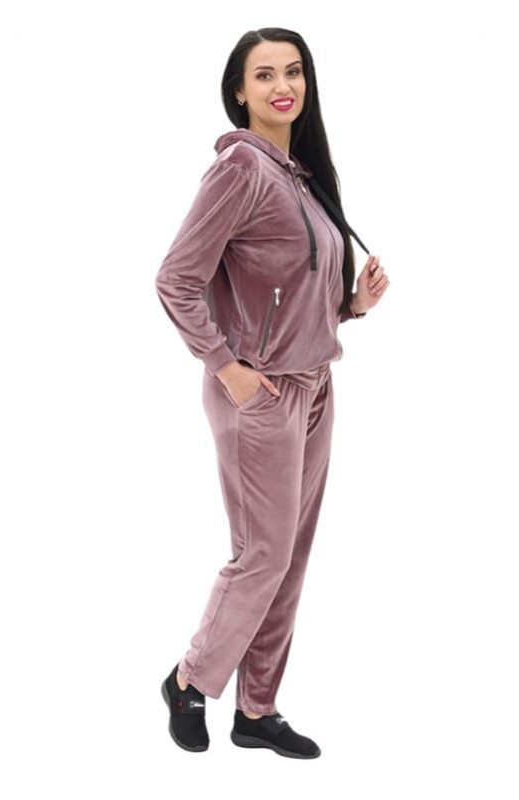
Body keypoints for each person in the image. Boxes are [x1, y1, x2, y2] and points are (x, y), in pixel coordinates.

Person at [155, 27, 389, 759]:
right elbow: (176, 279)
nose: (282, 86)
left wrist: (351, 305)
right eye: (264, 75)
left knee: (289, 556)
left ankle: (257, 709)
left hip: (315, 385)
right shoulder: (241, 170)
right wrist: (227, 367)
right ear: (239, 91)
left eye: (293, 71)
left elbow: (283, 294)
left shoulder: (301, 176)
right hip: (259, 393)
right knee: (261, 554)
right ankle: (190, 680)